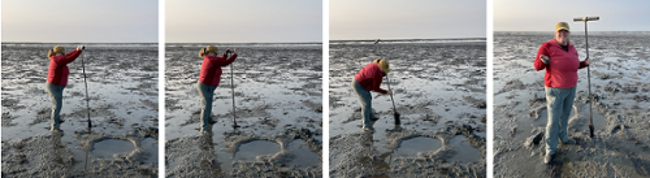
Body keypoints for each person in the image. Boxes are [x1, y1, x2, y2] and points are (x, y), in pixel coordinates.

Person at [534, 22, 591, 164]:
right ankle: (550, 149)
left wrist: (584, 63)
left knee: (565, 115)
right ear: (555, 33)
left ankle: (564, 137)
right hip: (555, 89)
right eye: (560, 31)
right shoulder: (547, 46)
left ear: (569, 34)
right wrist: (544, 62)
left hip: (571, 87)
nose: (563, 34)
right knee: (553, 121)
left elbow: (575, 65)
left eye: (565, 31)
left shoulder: (572, 48)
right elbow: (537, 66)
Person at [197, 45, 237, 134]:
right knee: (206, 105)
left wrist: (225, 54)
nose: (216, 55)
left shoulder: (212, 59)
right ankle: (203, 127)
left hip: (209, 86)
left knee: (209, 103)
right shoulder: (211, 60)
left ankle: (209, 119)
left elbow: (221, 60)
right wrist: (235, 55)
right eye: (215, 53)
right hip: (204, 85)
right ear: (210, 53)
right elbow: (225, 63)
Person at [47, 45, 84, 132]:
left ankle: (58, 119)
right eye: (62, 53)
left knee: (58, 104)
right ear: (57, 53)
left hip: (58, 86)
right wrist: (78, 52)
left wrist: (76, 50)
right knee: (56, 106)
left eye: (63, 53)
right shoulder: (56, 59)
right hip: (54, 86)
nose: (63, 54)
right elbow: (68, 59)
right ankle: (54, 127)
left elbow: (67, 56)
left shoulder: (59, 58)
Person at [351, 58, 393, 131]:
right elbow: (376, 88)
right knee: (365, 104)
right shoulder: (377, 75)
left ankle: (371, 116)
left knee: (368, 98)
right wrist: (387, 92)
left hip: (360, 82)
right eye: (384, 70)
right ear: (380, 67)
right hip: (359, 84)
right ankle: (366, 125)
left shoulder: (376, 63)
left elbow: (376, 60)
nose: (385, 73)